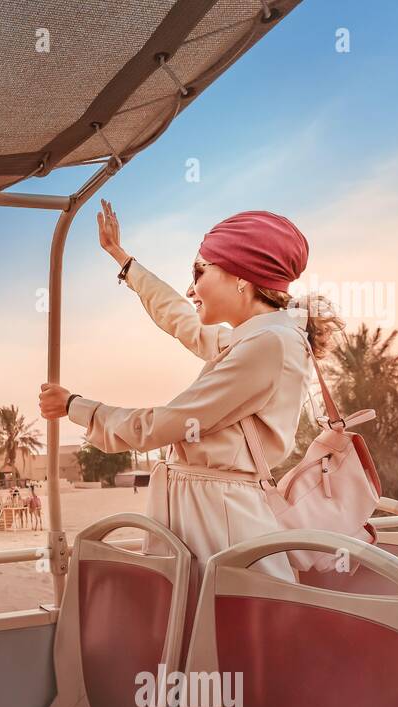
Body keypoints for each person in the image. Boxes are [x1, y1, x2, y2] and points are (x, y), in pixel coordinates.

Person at [40, 203, 340, 582]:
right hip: (209, 513)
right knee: (197, 633)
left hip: (220, 523)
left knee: (218, 634)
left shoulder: (268, 345)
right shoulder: (260, 337)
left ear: (241, 278)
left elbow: (163, 424)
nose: (191, 287)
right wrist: (123, 259)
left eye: (200, 271)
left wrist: (74, 406)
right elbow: (182, 320)